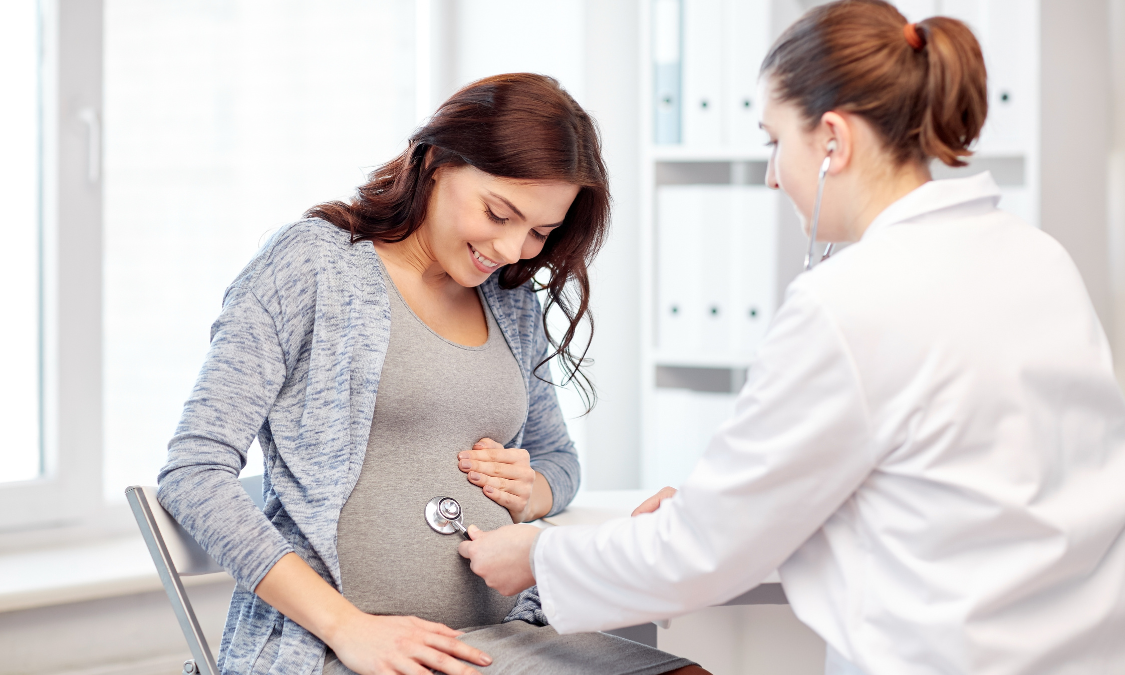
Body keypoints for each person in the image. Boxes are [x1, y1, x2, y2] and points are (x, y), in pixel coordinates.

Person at [458, 3, 1125, 674]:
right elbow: (967, 482)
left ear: (832, 139)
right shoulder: (1037, 257)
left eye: (774, 140)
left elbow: (703, 553)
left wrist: (537, 557)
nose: (773, 174)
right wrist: (734, 505)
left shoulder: (851, 301)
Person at [158, 73, 704, 675]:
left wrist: (531, 491)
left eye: (540, 233)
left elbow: (558, 462)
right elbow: (193, 473)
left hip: (508, 632)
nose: (512, 249)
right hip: (344, 651)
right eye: (498, 213)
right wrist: (350, 629)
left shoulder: (510, 300)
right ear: (437, 161)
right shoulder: (311, 267)